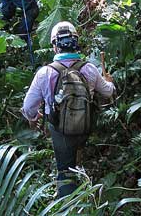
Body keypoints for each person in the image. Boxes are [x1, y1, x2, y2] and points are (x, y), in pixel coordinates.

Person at [22, 21, 115, 198]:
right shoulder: (89, 68)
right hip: (86, 126)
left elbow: (28, 107)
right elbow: (108, 92)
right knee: (79, 153)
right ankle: (86, 178)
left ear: (55, 47)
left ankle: (69, 204)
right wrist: (109, 81)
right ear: (76, 42)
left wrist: (33, 118)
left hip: (60, 130)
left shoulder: (45, 73)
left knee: (65, 171)